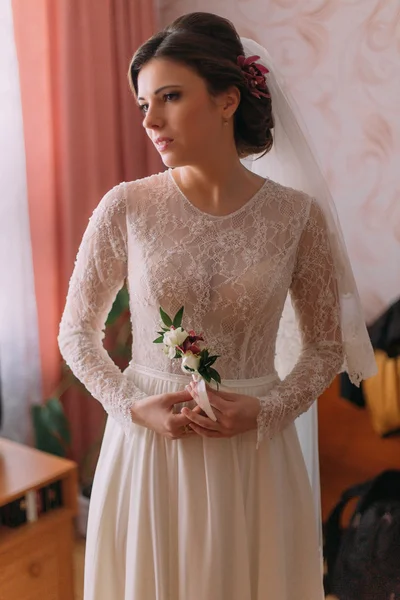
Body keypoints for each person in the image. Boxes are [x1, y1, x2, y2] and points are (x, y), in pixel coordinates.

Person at [58, 12, 376, 600]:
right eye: (142, 104)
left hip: (254, 451)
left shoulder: (296, 218)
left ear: (227, 100)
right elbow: (77, 333)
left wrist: (266, 410)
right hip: (150, 449)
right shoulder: (125, 207)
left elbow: (326, 346)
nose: (150, 120)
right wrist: (133, 408)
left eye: (170, 97)